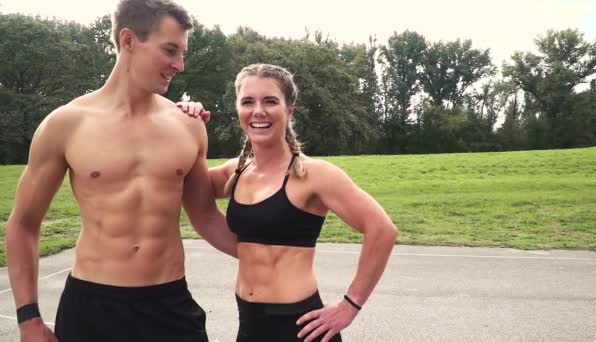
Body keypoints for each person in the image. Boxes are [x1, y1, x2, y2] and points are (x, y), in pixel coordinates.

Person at [5, 1, 237, 341]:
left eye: (183, 53)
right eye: (170, 50)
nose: (180, 65)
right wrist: (28, 320)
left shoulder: (188, 126)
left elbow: (205, 215)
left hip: (169, 305)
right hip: (92, 307)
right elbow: (24, 224)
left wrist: (269, 256)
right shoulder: (66, 124)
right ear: (128, 40)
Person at [180, 63, 399, 342]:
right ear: (238, 109)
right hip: (249, 325)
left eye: (270, 101)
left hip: (300, 328)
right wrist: (188, 122)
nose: (258, 110)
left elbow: (382, 229)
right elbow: (185, 183)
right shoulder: (235, 172)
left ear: (289, 109)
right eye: (248, 101)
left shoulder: (314, 175)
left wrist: (350, 305)